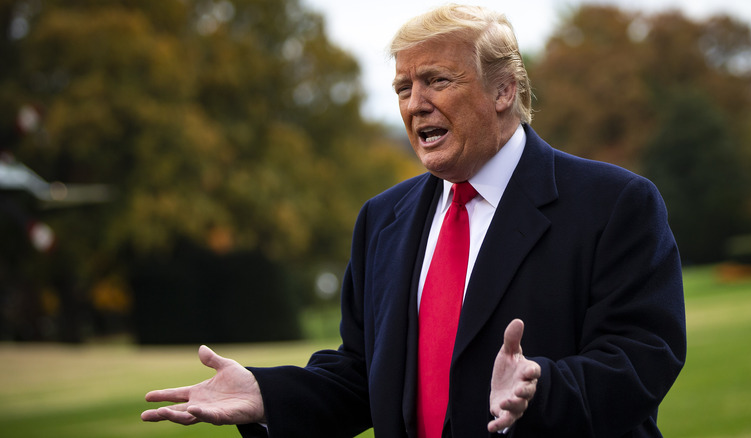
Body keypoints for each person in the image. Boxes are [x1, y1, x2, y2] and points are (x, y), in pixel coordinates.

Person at [141, 4, 686, 437]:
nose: (415, 104)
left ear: (503, 90)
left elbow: (644, 357)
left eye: (437, 81)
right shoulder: (382, 219)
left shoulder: (615, 203)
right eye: (403, 88)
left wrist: (541, 390)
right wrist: (267, 395)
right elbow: (363, 374)